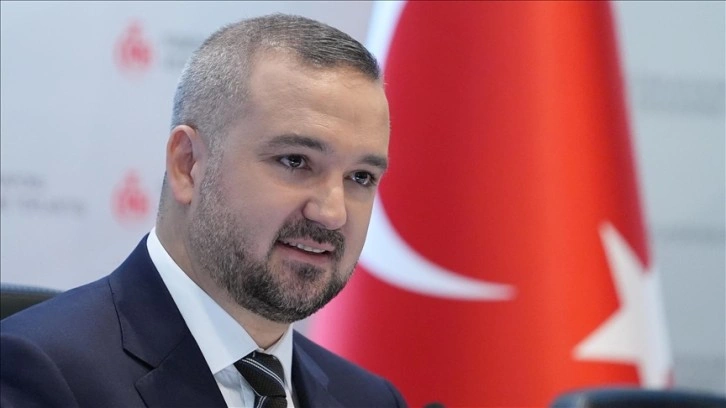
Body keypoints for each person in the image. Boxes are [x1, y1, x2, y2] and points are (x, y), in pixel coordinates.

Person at [1, 13, 406, 408]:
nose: (332, 213)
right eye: (295, 161)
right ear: (187, 164)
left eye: (361, 177)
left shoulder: (370, 399)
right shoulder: (40, 374)